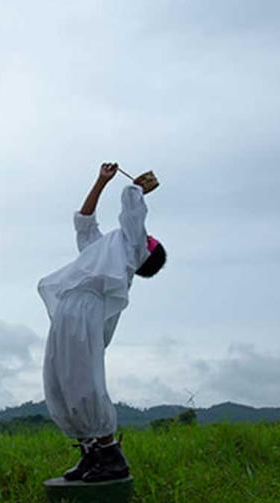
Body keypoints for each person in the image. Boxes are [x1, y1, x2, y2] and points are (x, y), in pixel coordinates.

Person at [38, 162, 166, 483]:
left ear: (144, 256)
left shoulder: (129, 248)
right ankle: (90, 453)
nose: (145, 236)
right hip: (69, 306)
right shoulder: (103, 249)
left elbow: (132, 212)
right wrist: (100, 181)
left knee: (82, 379)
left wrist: (136, 189)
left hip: (86, 307)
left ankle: (110, 456)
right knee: (59, 379)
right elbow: (84, 222)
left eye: (148, 240)